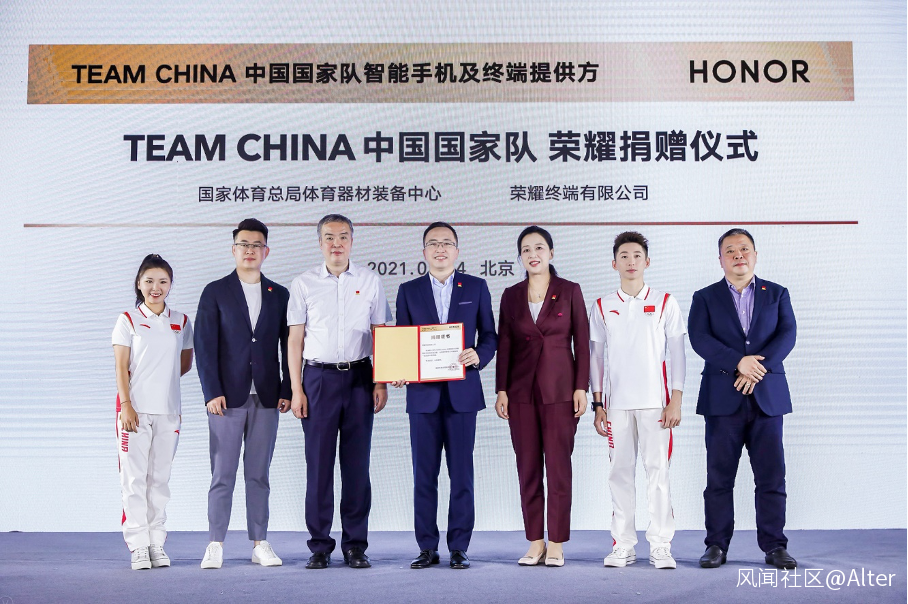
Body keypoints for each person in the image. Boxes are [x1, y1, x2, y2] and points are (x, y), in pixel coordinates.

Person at [287, 214, 392, 570]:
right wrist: (297, 389)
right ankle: (319, 545)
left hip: (361, 378)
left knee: (356, 466)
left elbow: (381, 332)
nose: (337, 244)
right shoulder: (303, 283)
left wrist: (381, 381)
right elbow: (295, 340)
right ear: (320, 243)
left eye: (343, 237)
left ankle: (355, 545)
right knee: (319, 466)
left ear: (352, 241)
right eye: (330, 237)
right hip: (317, 380)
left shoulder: (369, 280)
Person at [688, 228, 797, 570]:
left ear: (755, 255)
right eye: (731, 250)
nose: (738, 255)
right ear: (720, 259)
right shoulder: (705, 297)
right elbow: (699, 338)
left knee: (771, 477)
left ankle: (775, 546)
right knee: (719, 478)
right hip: (722, 399)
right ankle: (716, 545)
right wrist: (738, 362)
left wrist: (755, 369)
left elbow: (787, 334)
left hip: (767, 399)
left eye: (744, 249)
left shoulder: (776, 293)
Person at [393, 221, 497, 570]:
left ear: (457, 250)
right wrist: (399, 368)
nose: (440, 249)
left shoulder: (476, 287)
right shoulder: (409, 290)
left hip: (462, 395)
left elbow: (490, 336)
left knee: (461, 475)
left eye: (447, 243)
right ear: (424, 252)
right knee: (424, 476)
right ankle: (427, 547)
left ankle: (459, 547)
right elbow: (402, 339)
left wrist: (478, 355)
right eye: (433, 243)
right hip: (422, 397)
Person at [194, 218, 291, 569]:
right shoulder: (215, 291)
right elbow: (204, 346)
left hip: (267, 397)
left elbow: (289, 346)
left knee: (258, 474)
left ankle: (259, 542)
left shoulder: (279, 294)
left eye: (256, 245)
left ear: (266, 251)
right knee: (222, 473)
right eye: (243, 244)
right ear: (233, 249)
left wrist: (287, 388)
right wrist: (212, 392)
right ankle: (215, 543)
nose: (250, 250)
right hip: (226, 398)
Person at [589, 231, 686, 570]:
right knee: (619, 474)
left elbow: (677, 354)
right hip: (616, 406)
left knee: (658, 473)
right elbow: (596, 357)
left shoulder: (665, 302)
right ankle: (623, 545)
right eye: (624, 256)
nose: (631, 262)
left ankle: (660, 545)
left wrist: (675, 400)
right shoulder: (602, 306)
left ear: (647, 261)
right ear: (614, 263)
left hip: (656, 405)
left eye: (637, 256)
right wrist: (598, 404)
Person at [494, 226, 589, 567]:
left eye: (539, 248)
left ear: (551, 253)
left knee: (559, 469)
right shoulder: (511, 295)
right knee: (528, 469)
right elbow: (505, 344)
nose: (532, 254)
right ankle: (535, 542)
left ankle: (557, 542)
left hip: (561, 392)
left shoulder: (570, 290)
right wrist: (501, 389)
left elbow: (583, 342)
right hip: (520, 393)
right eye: (525, 249)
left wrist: (581, 387)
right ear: (520, 257)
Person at [112, 254, 193, 570]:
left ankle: (156, 542)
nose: (155, 287)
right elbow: (121, 366)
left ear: (170, 284)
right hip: (134, 412)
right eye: (149, 281)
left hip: (169, 412)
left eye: (162, 281)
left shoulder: (181, 321)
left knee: (159, 479)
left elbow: (183, 363)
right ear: (139, 284)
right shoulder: (128, 320)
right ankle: (138, 545)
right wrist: (127, 405)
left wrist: (162, 382)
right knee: (134, 479)